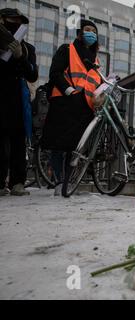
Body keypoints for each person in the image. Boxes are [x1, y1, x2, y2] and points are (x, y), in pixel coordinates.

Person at [41, 19, 103, 196]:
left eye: (94, 31)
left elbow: (95, 83)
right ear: (80, 33)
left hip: (84, 107)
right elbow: (55, 72)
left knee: (74, 147)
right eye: (87, 30)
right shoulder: (67, 49)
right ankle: (59, 180)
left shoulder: (96, 60)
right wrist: (69, 91)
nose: (91, 33)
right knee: (58, 144)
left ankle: (67, 182)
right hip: (64, 101)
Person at [0, 8, 38, 197]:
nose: (15, 23)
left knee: (17, 142)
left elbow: (32, 75)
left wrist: (20, 57)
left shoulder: (28, 48)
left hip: (17, 99)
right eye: (11, 19)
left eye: (18, 21)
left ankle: (17, 182)